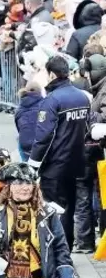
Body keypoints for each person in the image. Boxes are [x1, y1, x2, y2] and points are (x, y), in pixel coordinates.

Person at [28, 55, 90, 249]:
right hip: (77, 162)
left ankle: (57, 250)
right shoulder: (82, 97)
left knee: (54, 208)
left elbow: (44, 136)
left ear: (52, 74)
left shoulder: (52, 100)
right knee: (70, 207)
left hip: (55, 165)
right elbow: (87, 128)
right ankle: (68, 248)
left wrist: (33, 164)